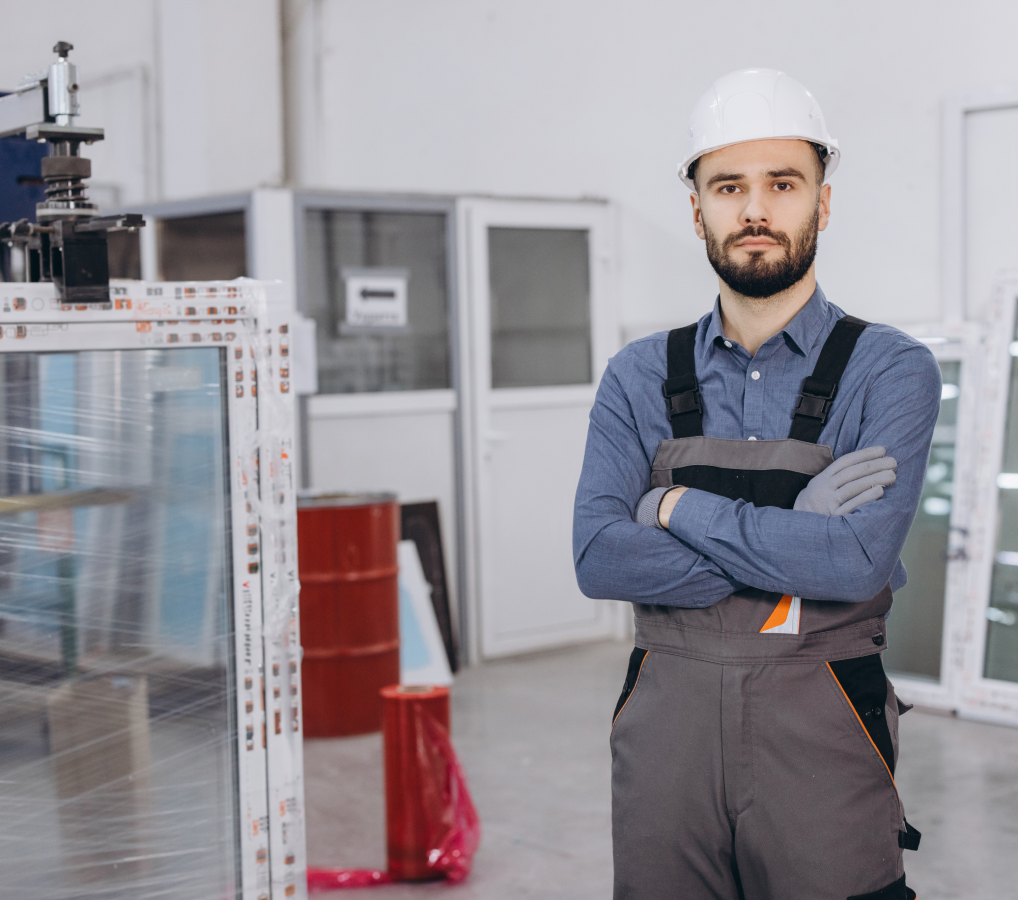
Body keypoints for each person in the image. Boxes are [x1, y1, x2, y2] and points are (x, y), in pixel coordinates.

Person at [572, 69, 940, 900]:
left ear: (823, 201)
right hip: (665, 739)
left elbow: (852, 564)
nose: (755, 210)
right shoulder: (638, 375)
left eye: (783, 183)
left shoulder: (890, 370)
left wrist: (673, 508)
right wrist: (794, 528)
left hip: (824, 732)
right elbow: (598, 558)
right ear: (697, 207)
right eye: (728, 186)